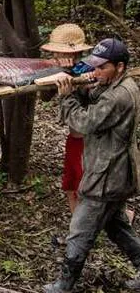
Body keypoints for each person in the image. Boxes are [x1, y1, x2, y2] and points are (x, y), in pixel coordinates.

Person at [44, 38, 140, 293]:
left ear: (119, 66)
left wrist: (66, 97)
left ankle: (64, 285)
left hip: (106, 177)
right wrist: (77, 83)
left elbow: (85, 122)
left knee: (79, 230)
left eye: (101, 68)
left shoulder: (119, 96)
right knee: (116, 227)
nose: (95, 73)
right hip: (115, 172)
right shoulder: (118, 83)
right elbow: (94, 94)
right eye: (94, 67)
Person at [40, 24, 94, 214]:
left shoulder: (91, 69)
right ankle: (75, 227)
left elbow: (91, 104)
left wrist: (78, 81)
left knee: (87, 188)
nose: (56, 56)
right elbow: (45, 97)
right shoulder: (58, 69)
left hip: (89, 140)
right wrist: (56, 76)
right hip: (74, 138)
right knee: (71, 186)